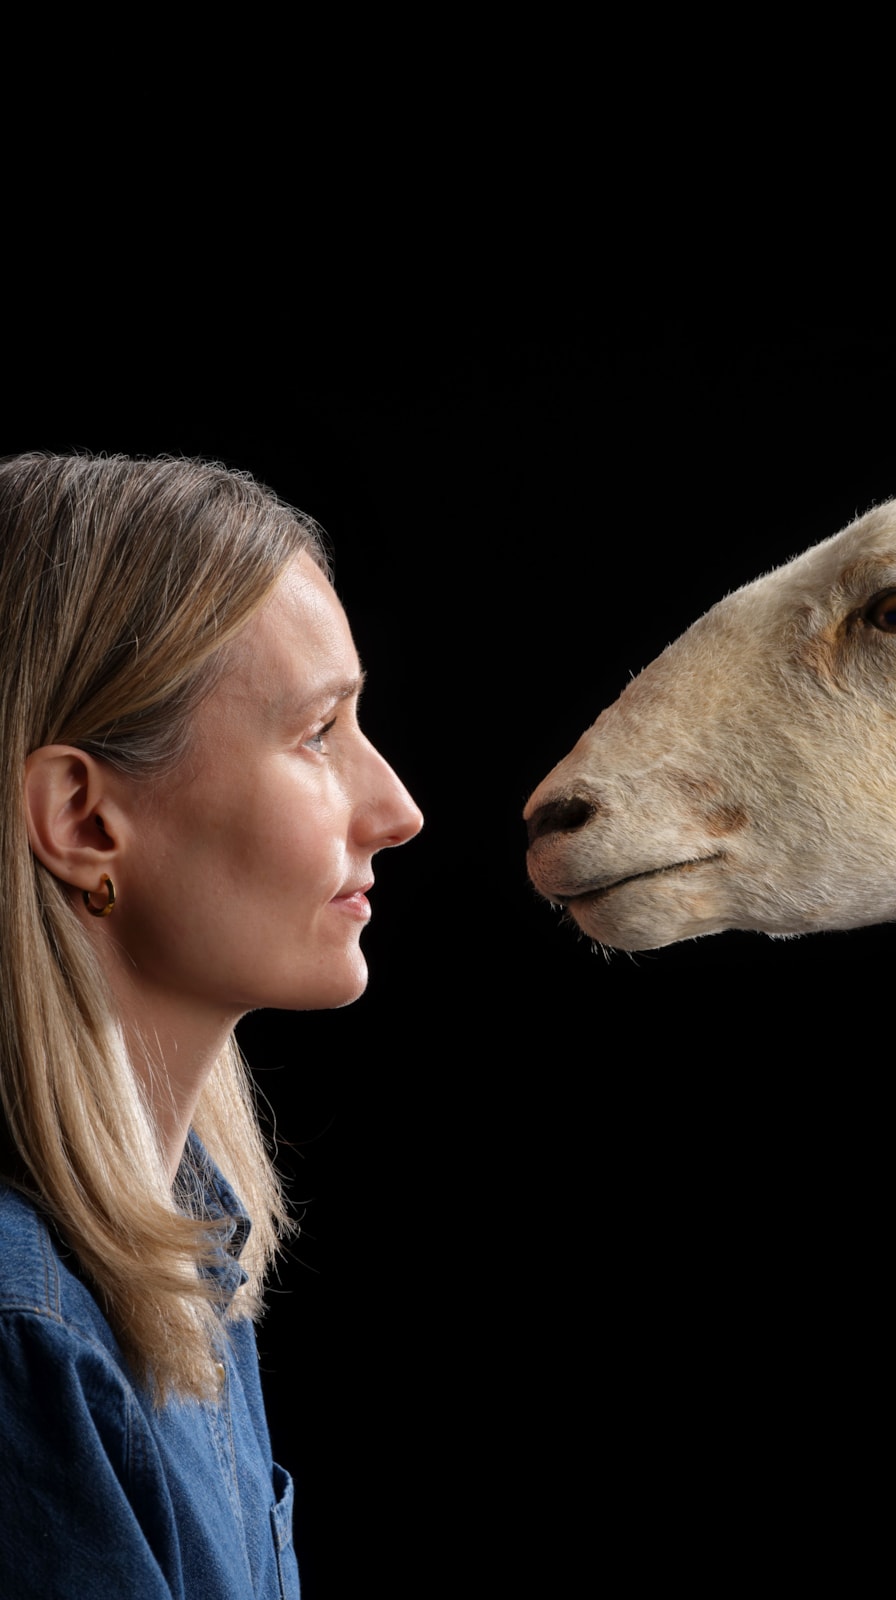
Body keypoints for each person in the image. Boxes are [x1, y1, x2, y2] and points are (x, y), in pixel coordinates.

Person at [0, 453, 422, 1597]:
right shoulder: (23, 1334)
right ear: (83, 818)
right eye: (319, 733)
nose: (398, 810)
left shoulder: (177, 1241)